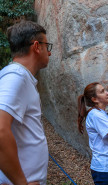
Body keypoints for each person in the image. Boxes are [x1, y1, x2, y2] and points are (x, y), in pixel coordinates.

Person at [0, 21, 52, 185]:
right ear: (37, 46)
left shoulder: (20, 77)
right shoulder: (16, 77)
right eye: (47, 46)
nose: (49, 53)